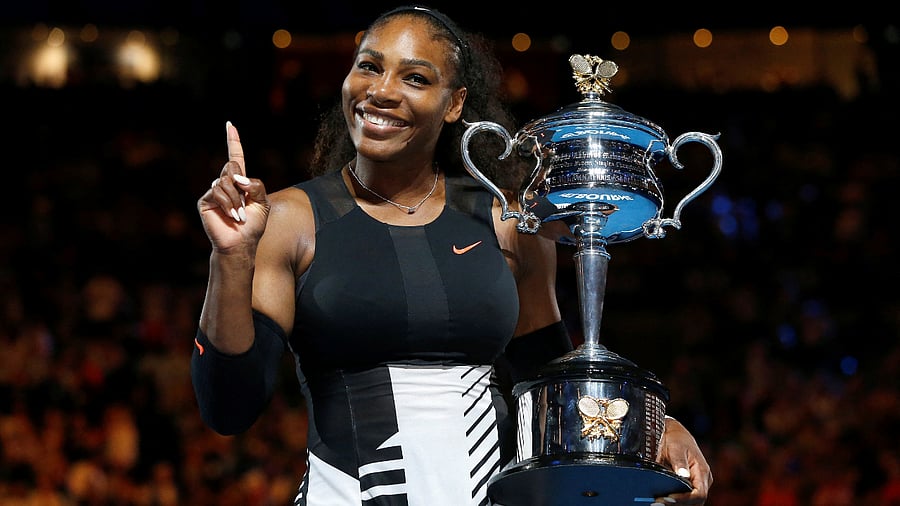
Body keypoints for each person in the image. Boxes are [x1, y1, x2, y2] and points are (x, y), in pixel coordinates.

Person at [192, 4, 713, 505]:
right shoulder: (289, 220)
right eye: (368, 67)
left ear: (455, 103)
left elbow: (545, 377)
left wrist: (650, 424)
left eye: (415, 78)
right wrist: (231, 258)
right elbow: (229, 408)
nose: (381, 91)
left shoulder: (508, 222)